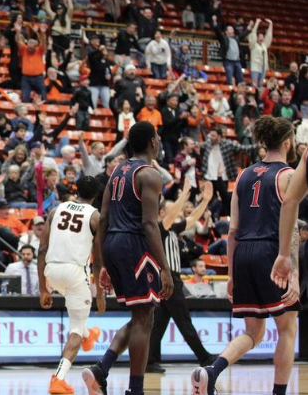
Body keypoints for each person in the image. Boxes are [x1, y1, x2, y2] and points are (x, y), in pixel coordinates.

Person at [194, 116, 301, 395]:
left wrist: (231, 274)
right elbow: (289, 233)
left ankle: (211, 371)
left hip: (242, 253)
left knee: (253, 334)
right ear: (288, 142)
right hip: (270, 251)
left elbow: (232, 230)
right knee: (287, 329)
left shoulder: (243, 175)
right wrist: (295, 273)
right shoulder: (289, 176)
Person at [82, 121, 174, 395]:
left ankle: (102, 368)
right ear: (153, 142)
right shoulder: (149, 174)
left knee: (141, 315)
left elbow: (105, 218)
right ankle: (136, 390)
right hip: (135, 245)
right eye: (157, 138)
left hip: (113, 243)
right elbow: (149, 224)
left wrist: (104, 263)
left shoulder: (117, 171)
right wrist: (166, 269)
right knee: (145, 318)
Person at [39, 176, 105, 394]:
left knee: (80, 320)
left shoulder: (55, 210)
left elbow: (41, 250)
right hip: (75, 274)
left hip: (52, 271)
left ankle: (89, 336)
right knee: (75, 329)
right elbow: (98, 259)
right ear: (96, 195)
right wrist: (101, 295)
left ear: (76, 190)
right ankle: (58, 379)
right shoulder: (95, 216)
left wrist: (43, 289)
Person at [147, 182, 215, 374]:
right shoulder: (158, 228)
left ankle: (148, 361)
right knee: (184, 320)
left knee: (159, 324)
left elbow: (193, 218)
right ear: (161, 213)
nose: (176, 213)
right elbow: (172, 214)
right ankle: (205, 357)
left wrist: (206, 201)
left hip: (171, 279)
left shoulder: (173, 229)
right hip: (167, 279)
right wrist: (184, 194)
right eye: (170, 211)